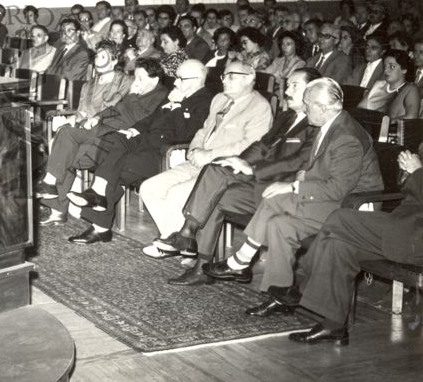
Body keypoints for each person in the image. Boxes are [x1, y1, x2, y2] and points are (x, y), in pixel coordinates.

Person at [203, 78, 384, 299]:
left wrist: (294, 185)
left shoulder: (347, 137)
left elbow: (338, 189)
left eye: (307, 103)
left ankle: (241, 260)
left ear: (323, 107)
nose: (303, 107)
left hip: (352, 209)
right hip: (331, 199)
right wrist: (300, 179)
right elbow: (318, 169)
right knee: (280, 225)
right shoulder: (329, 123)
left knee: (274, 198)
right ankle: (278, 294)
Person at [156, 68, 320, 285]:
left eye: (294, 86)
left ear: (312, 91)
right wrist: (240, 160)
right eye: (287, 85)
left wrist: (253, 169)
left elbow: (298, 162)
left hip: (280, 191)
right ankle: (200, 267)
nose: (286, 90)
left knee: (214, 177)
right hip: (258, 184)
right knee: (215, 187)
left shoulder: (315, 125)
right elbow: (261, 145)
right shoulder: (287, 116)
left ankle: (187, 233)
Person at [282, 149, 423, 346]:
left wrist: (417, 171)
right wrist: (408, 172)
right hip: (407, 226)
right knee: (339, 244)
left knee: (340, 218)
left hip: (415, 238)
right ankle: (334, 325)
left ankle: (300, 287)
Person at [62, 60, 213, 243]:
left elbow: (187, 134)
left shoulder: (206, 100)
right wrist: (134, 129)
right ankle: (97, 194)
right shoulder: (177, 93)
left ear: (197, 79)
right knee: (115, 139)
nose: (175, 82)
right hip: (145, 141)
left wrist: (179, 106)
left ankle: (100, 223)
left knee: (114, 166)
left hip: (163, 152)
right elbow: (151, 119)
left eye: (180, 78)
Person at [137, 61, 273, 256]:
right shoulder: (220, 99)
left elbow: (250, 146)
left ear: (250, 79)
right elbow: (203, 130)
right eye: (223, 76)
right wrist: (195, 150)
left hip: (224, 169)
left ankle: (177, 243)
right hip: (198, 161)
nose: (225, 80)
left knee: (176, 194)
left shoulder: (260, 107)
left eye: (231, 76)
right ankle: (180, 242)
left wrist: (209, 155)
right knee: (149, 188)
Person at [36, 57, 169, 228]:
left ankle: (58, 209)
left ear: (155, 80)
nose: (136, 82)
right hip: (102, 127)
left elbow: (139, 120)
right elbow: (115, 108)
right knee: (66, 133)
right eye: (135, 77)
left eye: (140, 78)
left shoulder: (161, 96)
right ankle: (50, 183)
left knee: (68, 153)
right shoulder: (139, 90)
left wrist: (134, 95)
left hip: (114, 137)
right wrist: (97, 116)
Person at [357, 49, 420, 120]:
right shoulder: (378, 85)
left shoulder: (410, 89)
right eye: (385, 66)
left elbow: (411, 117)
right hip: (368, 126)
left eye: (392, 66)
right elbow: (360, 109)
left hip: (390, 129)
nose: (386, 70)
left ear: (404, 69)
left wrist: (384, 124)